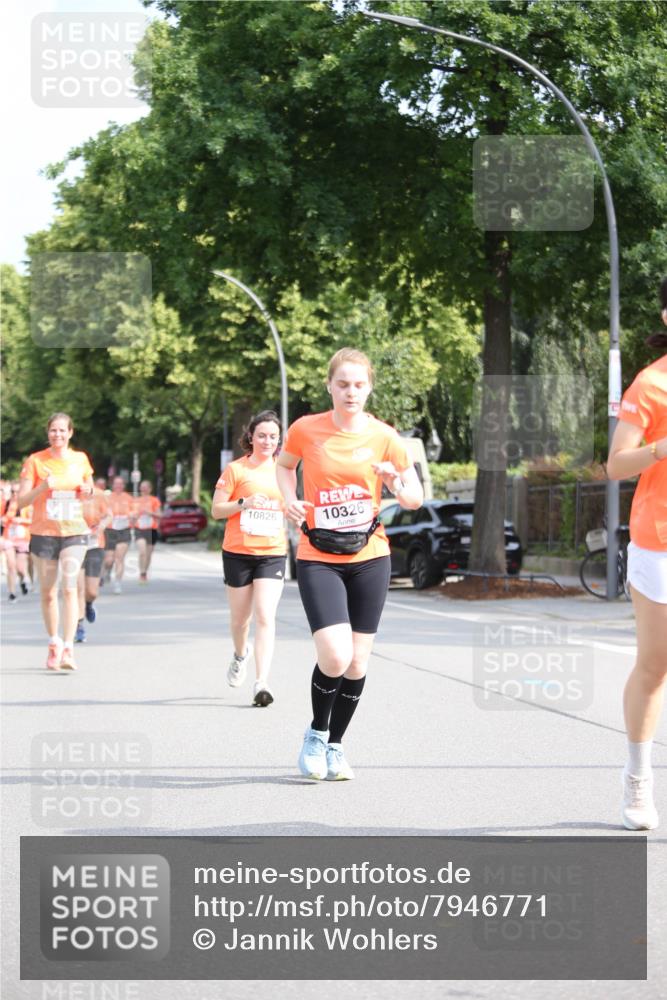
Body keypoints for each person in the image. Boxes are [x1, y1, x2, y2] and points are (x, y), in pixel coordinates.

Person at [276, 348, 423, 780]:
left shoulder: (385, 437)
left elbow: (414, 498)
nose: (351, 392)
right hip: (319, 555)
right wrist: (290, 500)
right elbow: (285, 467)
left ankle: (336, 746)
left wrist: (394, 480)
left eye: (359, 385)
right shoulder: (306, 429)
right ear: (329, 386)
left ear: (369, 388)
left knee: (358, 662)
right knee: (335, 656)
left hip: (369, 555)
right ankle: (316, 733)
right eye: (343, 384)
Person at [607, 276, 667, 830]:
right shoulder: (651, 385)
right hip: (661, 540)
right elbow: (616, 464)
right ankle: (638, 778)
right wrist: (661, 447)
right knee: (655, 664)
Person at [211, 410, 286, 707]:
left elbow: (293, 505)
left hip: (272, 553)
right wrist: (244, 503)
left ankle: (261, 683)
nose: (267, 441)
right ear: (251, 437)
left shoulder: (284, 471)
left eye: (273, 437)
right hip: (238, 552)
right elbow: (217, 510)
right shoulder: (236, 470)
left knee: (266, 615)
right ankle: (241, 654)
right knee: (241, 619)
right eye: (262, 436)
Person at [17, 413, 94, 671]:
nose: (57, 435)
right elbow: (21, 501)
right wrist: (42, 488)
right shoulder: (35, 461)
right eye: (53, 431)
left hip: (74, 532)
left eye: (62, 431)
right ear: (47, 433)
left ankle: (69, 649)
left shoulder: (80, 459)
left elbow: (90, 490)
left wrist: (88, 491)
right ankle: (54, 643)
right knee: (49, 592)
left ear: (70, 433)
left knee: (69, 587)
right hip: (44, 533)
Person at [75, 480, 111, 642]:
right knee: (78, 589)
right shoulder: (68, 494)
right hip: (73, 544)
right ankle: (79, 626)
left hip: (94, 545)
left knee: (92, 591)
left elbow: (109, 515)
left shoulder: (98, 494)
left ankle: (89, 604)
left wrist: (101, 526)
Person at [1, 482, 32, 601]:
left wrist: (21, 520)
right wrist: (4, 520)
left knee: (20, 568)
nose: (14, 494)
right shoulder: (6, 504)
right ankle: (12, 592)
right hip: (9, 538)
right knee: (10, 566)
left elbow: (33, 521)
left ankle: (23, 579)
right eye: (12, 491)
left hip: (23, 539)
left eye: (17, 491)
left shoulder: (28, 505)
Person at [103, 476, 133, 594]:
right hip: (110, 530)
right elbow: (101, 512)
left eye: (120, 484)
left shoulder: (129, 498)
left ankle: (118, 583)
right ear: (113, 485)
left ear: (123, 486)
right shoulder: (107, 498)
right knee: (109, 560)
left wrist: (132, 516)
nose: (118, 486)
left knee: (119, 558)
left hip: (124, 529)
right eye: (116, 484)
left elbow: (134, 512)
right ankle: (108, 571)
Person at [132, 480, 162, 583]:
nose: (143, 489)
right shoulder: (136, 501)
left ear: (150, 489)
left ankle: (144, 572)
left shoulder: (154, 500)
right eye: (142, 487)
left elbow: (159, 515)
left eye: (146, 487)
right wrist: (134, 516)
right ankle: (141, 572)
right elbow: (132, 515)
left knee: (148, 554)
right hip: (139, 529)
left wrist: (150, 513)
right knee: (142, 552)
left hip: (151, 529)